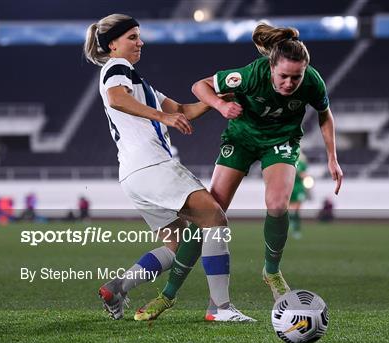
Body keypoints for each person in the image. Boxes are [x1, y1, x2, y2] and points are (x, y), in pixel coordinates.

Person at [83, 14, 253, 322]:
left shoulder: (138, 82)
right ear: (113, 44)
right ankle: (220, 308)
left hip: (133, 175)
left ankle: (117, 287)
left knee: (178, 246)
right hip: (151, 166)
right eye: (132, 37)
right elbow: (116, 98)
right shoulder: (117, 68)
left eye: (139, 36)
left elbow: (183, 110)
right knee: (214, 217)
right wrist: (162, 118)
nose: (140, 42)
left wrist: (217, 101)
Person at [191, 23, 343, 315]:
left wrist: (332, 158)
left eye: (295, 78)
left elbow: (325, 115)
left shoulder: (313, 81)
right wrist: (220, 107)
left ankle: (271, 271)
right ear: (270, 67)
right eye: (283, 76)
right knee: (212, 210)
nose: (289, 83)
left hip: (281, 140)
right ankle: (173, 288)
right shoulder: (250, 74)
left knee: (277, 205)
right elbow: (200, 86)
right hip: (242, 138)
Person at [289, 153, 309, 239]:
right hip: (289, 187)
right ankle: (290, 225)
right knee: (288, 209)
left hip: (299, 188)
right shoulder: (288, 161)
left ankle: (296, 229)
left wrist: (301, 174)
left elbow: (304, 175)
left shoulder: (302, 163)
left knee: (297, 209)